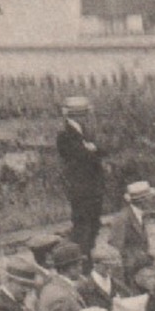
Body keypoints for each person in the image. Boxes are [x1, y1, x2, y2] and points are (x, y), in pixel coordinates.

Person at [56, 95, 106, 253]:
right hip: (82, 191)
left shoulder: (82, 133)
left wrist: (93, 149)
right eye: (85, 114)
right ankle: (83, 262)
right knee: (84, 230)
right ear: (80, 114)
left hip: (91, 189)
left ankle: (86, 260)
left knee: (92, 227)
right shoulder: (66, 135)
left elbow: (100, 150)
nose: (88, 118)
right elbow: (82, 157)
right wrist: (92, 150)